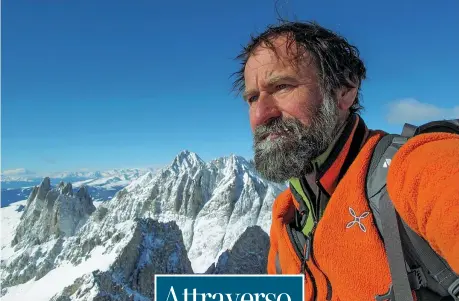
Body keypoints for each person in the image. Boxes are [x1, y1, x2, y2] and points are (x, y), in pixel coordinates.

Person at [233, 21, 459, 301]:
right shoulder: (286, 216)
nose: (260, 115)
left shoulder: (418, 169)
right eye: (252, 98)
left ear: (344, 90)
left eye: (281, 86)